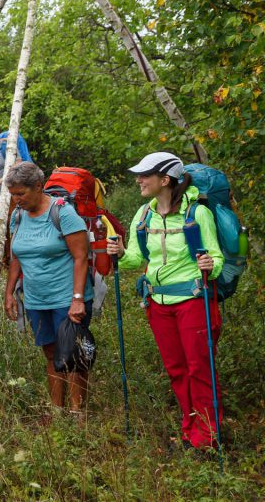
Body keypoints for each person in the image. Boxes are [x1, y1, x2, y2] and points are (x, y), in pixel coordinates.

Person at [107, 152, 224, 450]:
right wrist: (121, 253)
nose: (139, 180)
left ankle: (207, 437)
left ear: (165, 180)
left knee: (199, 368)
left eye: (145, 175)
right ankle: (190, 428)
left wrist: (212, 264)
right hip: (158, 304)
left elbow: (217, 257)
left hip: (193, 300)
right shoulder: (143, 214)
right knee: (176, 369)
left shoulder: (197, 213)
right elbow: (138, 258)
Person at [1, 161, 94, 419]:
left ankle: (77, 413)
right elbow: (16, 257)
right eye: (13, 194)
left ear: (38, 187)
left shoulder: (62, 212)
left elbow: (80, 257)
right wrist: (9, 293)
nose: (17, 199)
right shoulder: (18, 216)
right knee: (51, 353)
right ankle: (57, 408)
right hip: (35, 299)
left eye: (21, 193)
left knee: (73, 354)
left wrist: (77, 299)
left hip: (67, 297)